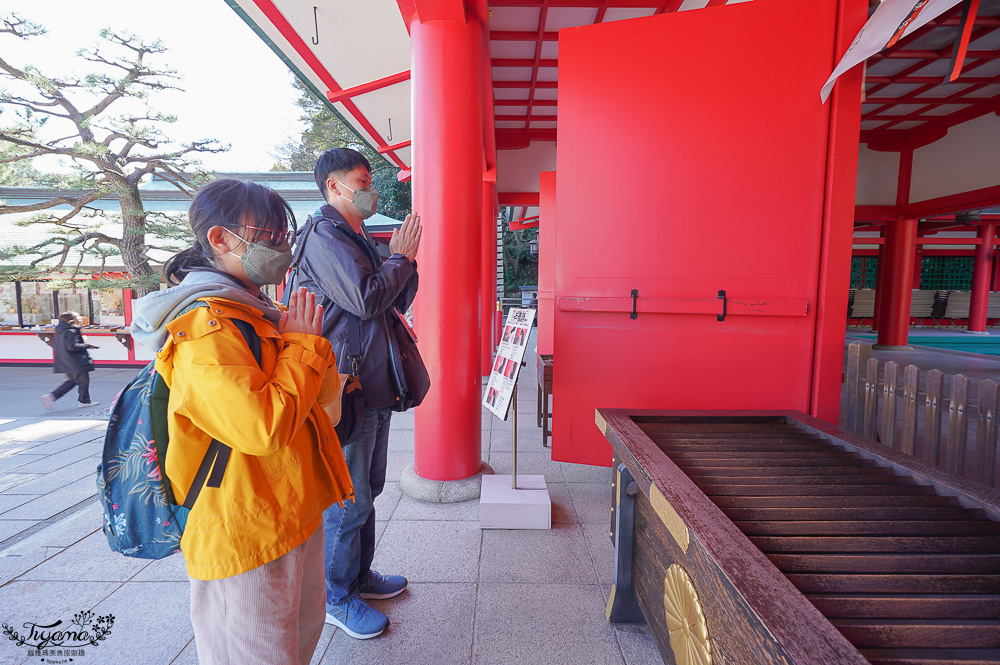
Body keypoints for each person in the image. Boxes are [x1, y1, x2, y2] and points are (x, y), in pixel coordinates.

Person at [129, 179, 354, 665]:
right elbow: (260, 428)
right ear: (220, 239)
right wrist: (302, 348)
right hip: (244, 525)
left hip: (292, 508)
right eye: (269, 236)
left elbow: (325, 410)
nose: (282, 247)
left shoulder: (261, 315)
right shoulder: (205, 328)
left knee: (296, 642)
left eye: (283, 235)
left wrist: (307, 347)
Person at [294, 148, 421, 639]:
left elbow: (396, 298)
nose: (371, 190)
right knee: (348, 499)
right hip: (342, 384)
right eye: (362, 180)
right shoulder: (325, 235)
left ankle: (359, 576)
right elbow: (368, 300)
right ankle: (335, 595)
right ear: (334, 186)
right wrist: (401, 259)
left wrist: (404, 263)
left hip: (371, 380)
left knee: (369, 488)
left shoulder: (359, 235)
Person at [42, 312, 99, 410]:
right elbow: (72, 346)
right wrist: (87, 345)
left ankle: (52, 396)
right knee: (83, 381)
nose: (80, 319)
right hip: (76, 361)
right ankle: (84, 401)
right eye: (78, 317)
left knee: (72, 381)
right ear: (72, 320)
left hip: (65, 360)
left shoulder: (61, 330)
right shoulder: (71, 331)